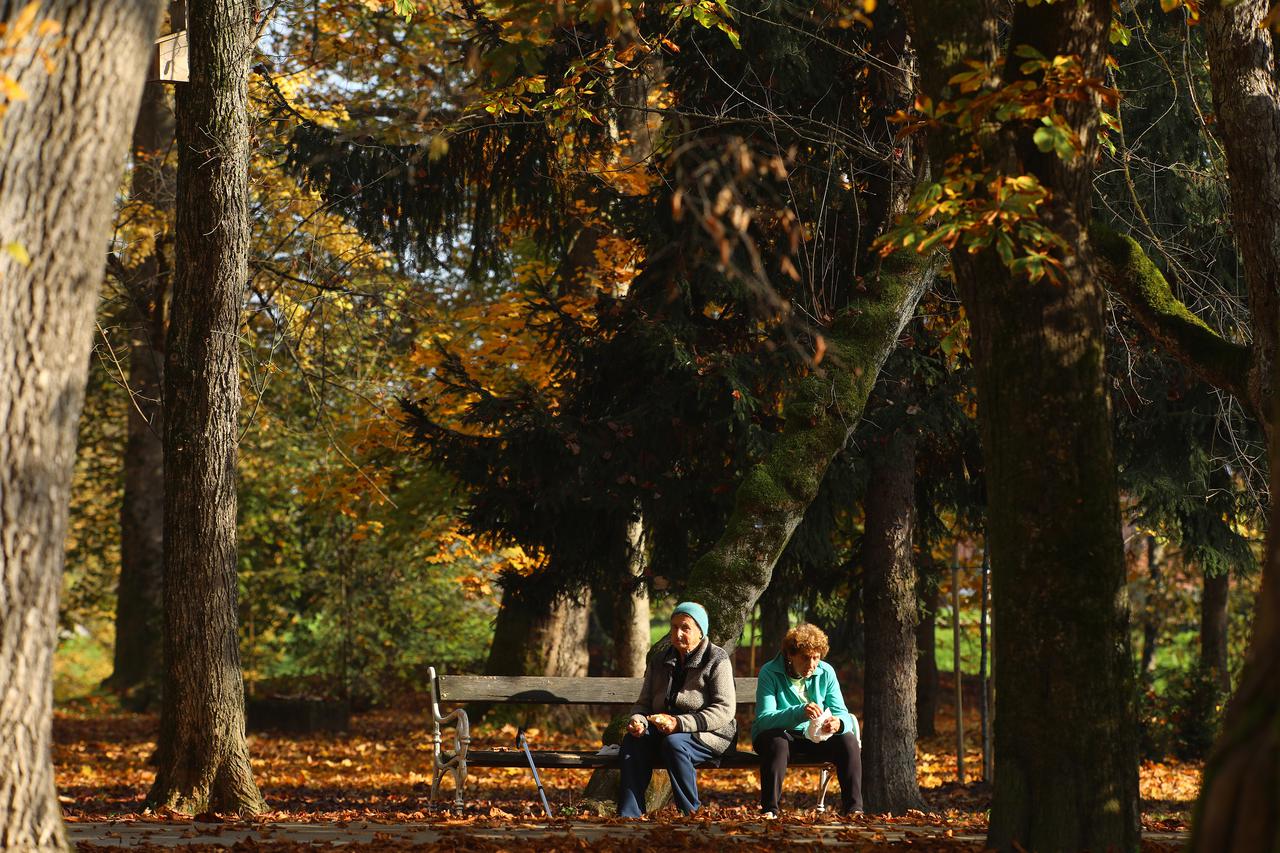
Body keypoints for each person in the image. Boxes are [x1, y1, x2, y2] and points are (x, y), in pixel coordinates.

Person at [617, 601, 737, 817]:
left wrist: (679, 723)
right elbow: (644, 703)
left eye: (685, 628)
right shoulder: (660, 659)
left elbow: (724, 709)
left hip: (711, 733)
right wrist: (638, 721)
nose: (678, 633)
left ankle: (690, 814)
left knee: (675, 743)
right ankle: (629, 815)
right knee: (633, 740)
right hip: (665, 729)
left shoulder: (716, 659)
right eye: (674, 627)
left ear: (700, 632)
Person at [753, 623, 862, 817]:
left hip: (815, 738)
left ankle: (854, 810)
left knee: (848, 739)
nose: (812, 664)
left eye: (816, 658)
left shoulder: (826, 672)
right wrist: (799, 712)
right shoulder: (769, 672)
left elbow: (842, 713)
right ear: (790, 655)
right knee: (777, 741)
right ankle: (770, 810)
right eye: (805, 658)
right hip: (782, 739)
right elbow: (763, 720)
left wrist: (838, 723)